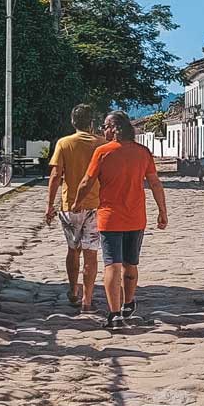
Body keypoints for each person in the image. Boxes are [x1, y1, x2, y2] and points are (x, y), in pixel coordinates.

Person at [71, 109, 168, 333]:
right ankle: (128, 303)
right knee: (130, 264)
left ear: (114, 129)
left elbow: (87, 181)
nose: (103, 130)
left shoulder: (103, 152)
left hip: (109, 218)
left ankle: (114, 313)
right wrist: (162, 211)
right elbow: (155, 184)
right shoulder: (143, 153)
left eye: (105, 126)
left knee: (111, 265)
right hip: (136, 218)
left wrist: (77, 203)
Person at [45, 104, 102, 313]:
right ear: (92, 122)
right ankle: (87, 299)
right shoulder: (101, 144)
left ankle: (73, 290)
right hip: (96, 205)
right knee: (91, 253)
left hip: (70, 206)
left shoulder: (64, 143)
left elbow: (55, 176)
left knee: (73, 250)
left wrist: (50, 205)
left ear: (73, 121)